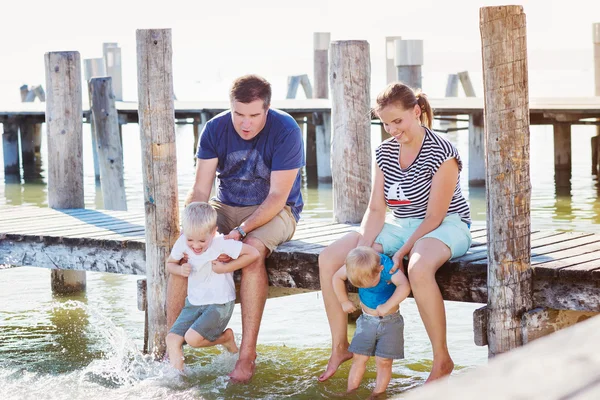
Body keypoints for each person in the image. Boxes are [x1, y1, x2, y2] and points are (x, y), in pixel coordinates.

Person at [318, 82, 472, 383]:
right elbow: (376, 210)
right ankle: (340, 347)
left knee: (418, 266)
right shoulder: (384, 152)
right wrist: (361, 251)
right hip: (401, 225)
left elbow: (434, 216)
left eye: (397, 121)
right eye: (386, 123)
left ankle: (442, 359)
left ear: (416, 112)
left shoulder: (443, 151)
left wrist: (402, 252)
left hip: (447, 224)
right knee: (329, 258)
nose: (392, 129)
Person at [168, 74, 304, 382]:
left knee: (252, 253)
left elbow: (277, 197)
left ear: (267, 110)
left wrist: (240, 232)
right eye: (238, 114)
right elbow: (201, 190)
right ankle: (172, 343)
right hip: (225, 206)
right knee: (182, 253)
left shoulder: (286, 131)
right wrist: (188, 229)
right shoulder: (215, 128)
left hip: (277, 211)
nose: (245, 123)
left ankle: (246, 355)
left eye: (254, 115)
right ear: (230, 107)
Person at [165, 202, 259, 371]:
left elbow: (253, 253)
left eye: (202, 240)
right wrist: (179, 269)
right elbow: (169, 264)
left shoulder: (221, 243)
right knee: (171, 339)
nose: (195, 246)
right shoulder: (182, 243)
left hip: (219, 303)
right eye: (190, 239)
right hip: (193, 302)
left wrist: (226, 268)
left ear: (214, 232)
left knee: (193, 339)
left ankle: (225, 338)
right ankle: (178, 381)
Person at [333, 246, 410, 396]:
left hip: (390, 322)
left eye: (368, 284)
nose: (364, 288)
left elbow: (404, 286)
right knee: (359, 357)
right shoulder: (356, 266)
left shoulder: (387, 266)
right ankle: (350, 392)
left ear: (380, 270)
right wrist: (343, 301)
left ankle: (377, 394)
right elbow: (336, 277)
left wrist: (388, 305)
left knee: (384, 361)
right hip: (366, 321)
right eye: (360, 286)